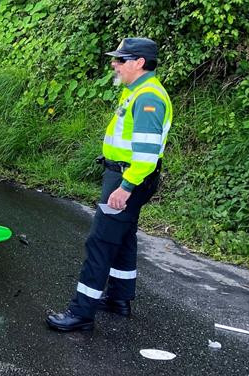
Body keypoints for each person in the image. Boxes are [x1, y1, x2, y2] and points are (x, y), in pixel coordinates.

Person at [47, 38, 172, 332]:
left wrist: (125, 187)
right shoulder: (137, 91)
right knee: (124, 236)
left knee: (101, 241)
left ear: (139, 63)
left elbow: (145, 155)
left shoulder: (148, 98)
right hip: (127, 175)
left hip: (129, 177)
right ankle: (119, 298)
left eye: (121, 59)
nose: (114, 64)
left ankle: (81, 312)